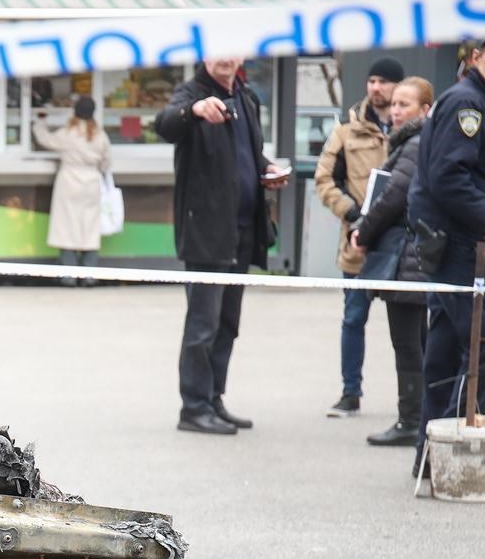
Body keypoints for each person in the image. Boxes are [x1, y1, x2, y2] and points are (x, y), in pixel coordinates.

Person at [407, 35, 485, 480]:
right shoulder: (469, 105)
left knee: (443, 349)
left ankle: (429, 459)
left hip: (451, 240)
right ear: (476, 57)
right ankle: (451, 447)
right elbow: (448, 176)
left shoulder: (482, 100)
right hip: (458, 242)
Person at [155, 58, 288, 435]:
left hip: (243, 230)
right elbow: (164, 124)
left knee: (227, 323)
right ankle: (193, 407)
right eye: (218, 51)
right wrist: (193, 111)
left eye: (234, 50)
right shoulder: (192, 93)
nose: (227, 58)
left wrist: (267, 170)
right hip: (208, 231)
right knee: (203, 324)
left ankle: (214, 398)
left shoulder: (246, 97)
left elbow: (247, 153)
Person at [315, 56, 403, 418]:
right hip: (359, 242)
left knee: (409, 328)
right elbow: (325, 180)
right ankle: (350, 393)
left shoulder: (415, 130)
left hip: (402, 244)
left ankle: (411, 403)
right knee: (353, 319)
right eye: (372, 80)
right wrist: (352, 214)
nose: (376, 87)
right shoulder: (346, 131)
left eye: (384, 81)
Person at [350, 76, 435, 447]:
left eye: (405, 105)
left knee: (409, 343)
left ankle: (411, 419)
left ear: (425, 110)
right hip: (412, 255)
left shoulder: (416, 143)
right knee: (417, 342)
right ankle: (420, 416)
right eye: (395, 104)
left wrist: (362, 232)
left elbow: (393, 197)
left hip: (407, 257)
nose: (396, 111)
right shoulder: (416, 141)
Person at [32, 96, 111, 285]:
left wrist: (39, 122)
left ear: (75, 112)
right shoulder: (100, 135)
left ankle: (68, 275)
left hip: (69, 181)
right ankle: (89, 275)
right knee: (89, 228)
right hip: (91, 182)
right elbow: (107, 161)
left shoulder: (68, 133)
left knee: (66, 227)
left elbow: (45, 139)